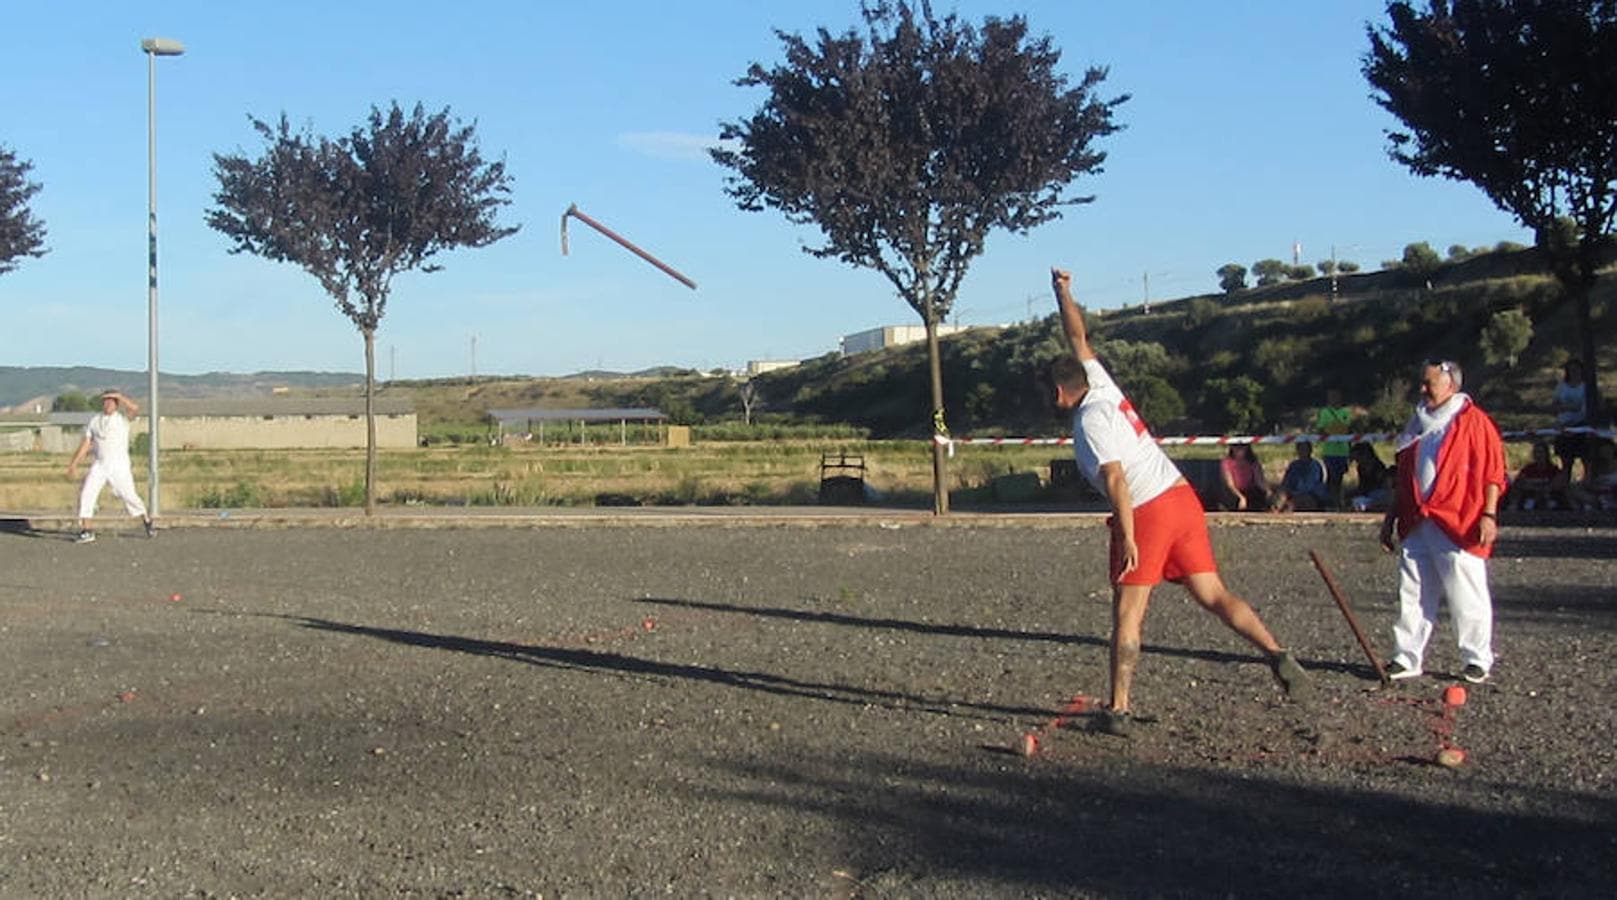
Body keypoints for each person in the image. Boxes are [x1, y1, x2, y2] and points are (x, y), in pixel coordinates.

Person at [1046, 268, 1309, 735]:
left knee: (1128, 612)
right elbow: (1077, 335)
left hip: (1147, 509)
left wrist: (1127, 537)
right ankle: (1277, 653)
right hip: (1182, 496)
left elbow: (1116, 480)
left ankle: (1119, 709)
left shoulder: (1090, 420)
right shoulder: (1101, 383)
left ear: (1058, 392)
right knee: (1213, 593)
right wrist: (1063, 292)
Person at [1379, 359, 1505, 685]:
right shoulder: (1416, 424)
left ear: (1451, 385)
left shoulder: (1474, 422)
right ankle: (1406, 656)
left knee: (1466, 591)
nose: (1422, 390)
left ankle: (1477, 658)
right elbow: (1404, 477)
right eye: (1422, 383)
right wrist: (1391, 518)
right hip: (1418, 518)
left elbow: (1493, 472)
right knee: (1414, 591)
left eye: (1429, 383)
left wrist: (1488, 515)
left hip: (1459, 519)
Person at [66, 389, 154, 543]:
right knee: (87, 494)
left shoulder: (122, 419)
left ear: (116, 404)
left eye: (111, 401)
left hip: (119, 465)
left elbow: (134, 409)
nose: (108, 404)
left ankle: (146, 519)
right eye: (105, 401)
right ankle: (86, 530)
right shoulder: (95, 421)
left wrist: (119, 396)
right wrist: (74, 463)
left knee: (128, 495)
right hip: (100, 464)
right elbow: (87, 444)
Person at [1315, 389, 1354, 508]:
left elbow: (1349, 430)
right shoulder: (1324, 412)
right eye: (1331, 396)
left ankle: (1338, 502)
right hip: (1330, 451)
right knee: (1331, 478)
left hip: (1343, 452)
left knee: (1339, 478)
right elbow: (1320, 429)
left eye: (1336, 396)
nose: (1334, 398)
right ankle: (1330, 502)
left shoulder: (1346, 412)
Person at [1502, 440, 1566, 511]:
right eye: (1536, 452)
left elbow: (1557, 484)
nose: (1539, 455)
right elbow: (1519, 483)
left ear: (1546, 454)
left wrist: (1545, 489)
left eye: (1541, 452)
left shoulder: (1553, 470)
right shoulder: (1528, 469)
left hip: (1549, 498)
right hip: (1530, 498)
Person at [1273, 441, 1329, 512]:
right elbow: (1286, 483)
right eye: (1300, 449)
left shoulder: (1316, 465)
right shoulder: (1293, 465)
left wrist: (1297, 495)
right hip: (1294, 494)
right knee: (1281, 496)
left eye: (1304, 449)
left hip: (1312, 496)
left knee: (1299, 502)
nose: (1302, 452)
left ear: (1310, 450)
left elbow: (1312, 486)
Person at [1216, 443, 1270, 511]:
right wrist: (1241, 497)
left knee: (1260, 496)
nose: (1239, 448)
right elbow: (1230, 485)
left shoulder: (1253, 461)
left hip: (1249, 491)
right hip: (1234, 492)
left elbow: (1258, 480)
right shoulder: (1227, 462)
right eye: (1235, 446)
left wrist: (1268, 492)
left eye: (1242, 446)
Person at [1347, 441, 1394, 512]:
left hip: (1378, 493)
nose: (1357, 460)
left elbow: (1383, 484)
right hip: (1367, 494)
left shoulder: (1377, 465)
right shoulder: (1360, 467)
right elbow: (1362, 486)